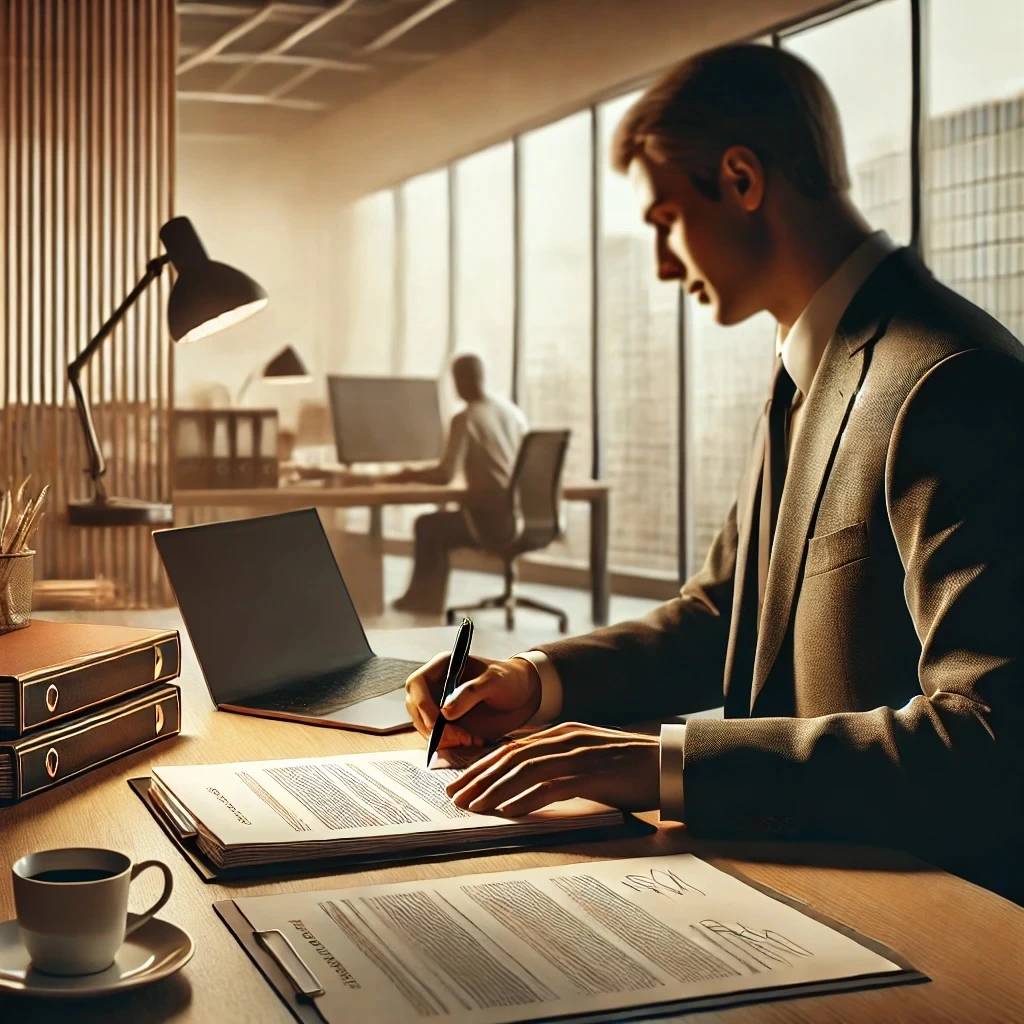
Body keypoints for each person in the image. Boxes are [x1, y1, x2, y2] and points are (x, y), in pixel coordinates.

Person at [405, 44, 1024, 901]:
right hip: (793, 885)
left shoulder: (950, 381)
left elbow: (990, 741)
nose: (661, 262)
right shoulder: (804, 368)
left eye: (663, 219)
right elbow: (725, 613)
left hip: (937, 916)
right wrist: (535, 680)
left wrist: (662, 764)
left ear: (741, 180)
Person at [389, 354, 527, 613]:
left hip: (488, 520)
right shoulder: (512, 413)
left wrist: (409, 474)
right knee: (437, 524)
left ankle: (424, 602)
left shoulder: (466, 418)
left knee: (428, 525)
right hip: (521, 518)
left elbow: (445, 475)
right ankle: (425, 600)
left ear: (460, 381)